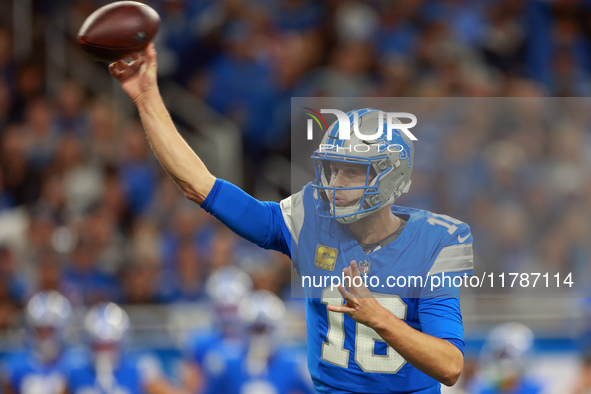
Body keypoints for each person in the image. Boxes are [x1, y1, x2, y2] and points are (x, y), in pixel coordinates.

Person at [109, 43, 474, 393]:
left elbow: (450, 365)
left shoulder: (433, 242)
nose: (334, 183)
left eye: (351, 172)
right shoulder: (310, 218)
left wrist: (379, 317)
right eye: (332, 170)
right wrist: (147, 99)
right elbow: (200, 186)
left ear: (389, 177)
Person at [202, 290, 313, 394]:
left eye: (265, 329)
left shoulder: (295, 366)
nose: (260, 336)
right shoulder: (224, 363)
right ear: (244, 329)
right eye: (255, 329)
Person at [66, 302, 182, 394]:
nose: (104, 353)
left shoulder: (139, 368)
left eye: (109, 346)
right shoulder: (75, 370)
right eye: (99, 347)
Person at [0, 291, 73, 394]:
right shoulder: (16, 365)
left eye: (50, 330)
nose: (45, 336)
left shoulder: (74, 363)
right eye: (40, 330)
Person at [474, 322, 543, 394]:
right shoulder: (484, 389)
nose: (502, 364)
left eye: (506, 356)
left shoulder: (535, 390)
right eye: (498, 357)